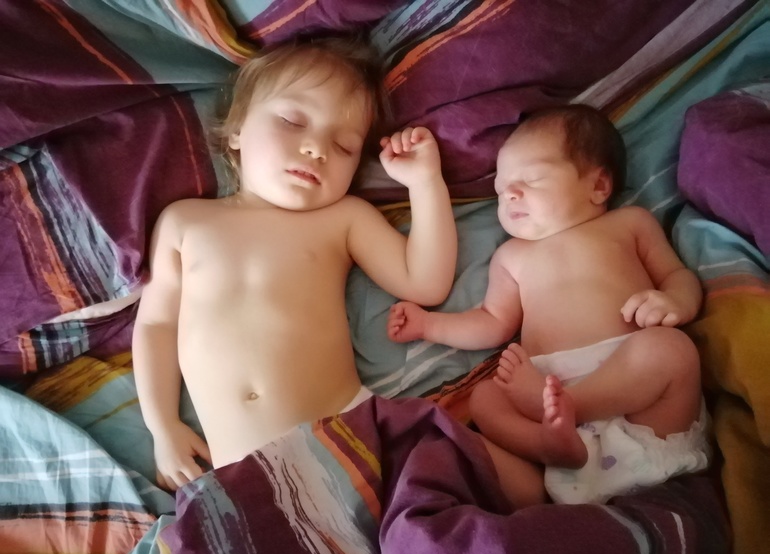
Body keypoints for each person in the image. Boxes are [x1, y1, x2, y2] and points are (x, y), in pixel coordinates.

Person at [131, 35, 463, 493]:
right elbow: (155, 326)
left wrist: (425, 184)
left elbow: (426, 284)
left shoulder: (342, 218)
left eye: (344, 146)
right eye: (292, 121)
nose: (317, 148)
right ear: (237, 129)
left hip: (346, 442)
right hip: (239, 478)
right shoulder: (185, 221)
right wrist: (162, 426)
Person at [387, 104, 710, 504]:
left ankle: (568, 409)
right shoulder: (511, 256)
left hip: (638, 410)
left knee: (671, 350)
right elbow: (492, 321)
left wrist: (675, 300)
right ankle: (543, 446)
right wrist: (429, 325)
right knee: (485, 397)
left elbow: (677, 276)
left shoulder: (630, 224)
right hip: (557, 424)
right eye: (501, 190)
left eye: (532, 179)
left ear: (598, 186)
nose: (510, 194)